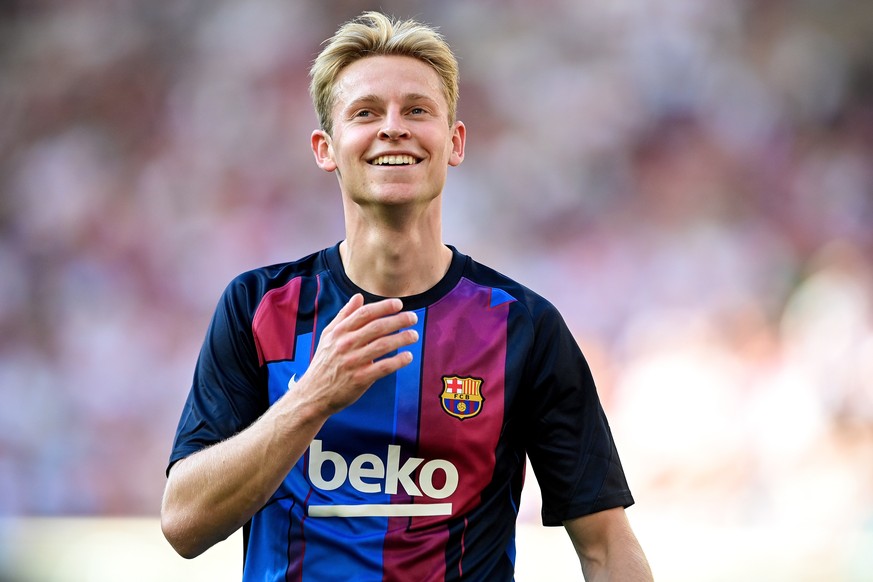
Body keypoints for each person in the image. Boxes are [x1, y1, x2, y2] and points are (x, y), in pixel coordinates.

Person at [161, 11, 653, 581]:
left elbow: (606, 545)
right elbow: (184, 524)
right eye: (365, 112)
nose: (393, 127)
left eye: (417, 110)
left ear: (455, 141)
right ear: (325, 148)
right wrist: (312, 398)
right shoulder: (257, 307)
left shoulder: (523, 326)